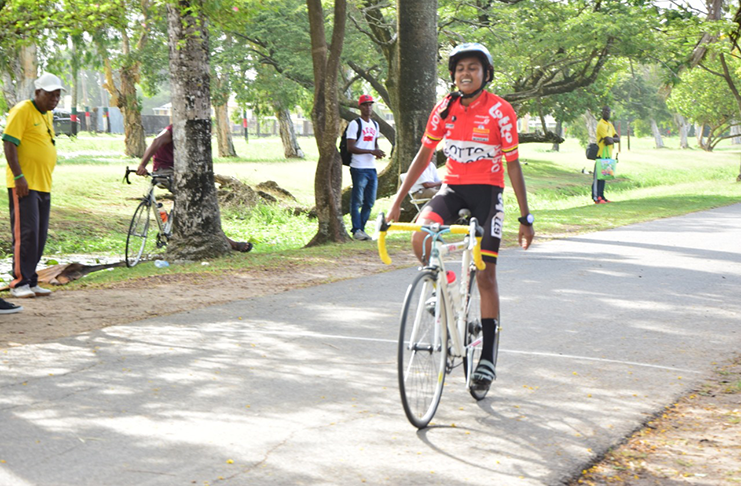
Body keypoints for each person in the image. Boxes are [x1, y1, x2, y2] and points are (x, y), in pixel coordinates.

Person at [387, 43, 535, 389]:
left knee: (486, 276)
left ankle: (486, 358)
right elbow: (424, 155)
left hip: (488, 193)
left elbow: (513, 166)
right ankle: (445, 289)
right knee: (420, 237)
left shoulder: (501, 112)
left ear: (485, 74)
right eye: (459, 69)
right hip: (451, 190)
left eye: (473, 68)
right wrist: (396, 201)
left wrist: (525, 218)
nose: (465, 74)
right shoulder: (444, 109)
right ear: (453, 75)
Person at [137, 125, 253, 252]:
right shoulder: (173, 130)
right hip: (166, 172)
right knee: (198, 203)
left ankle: (173, 226)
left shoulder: (190, 136)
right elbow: (156, 141)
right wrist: (142, 164)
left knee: (195, 201)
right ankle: (231, 244)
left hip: (180, 172)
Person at [2, 72, 64, 299]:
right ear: (38, 92)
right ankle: (19, 282)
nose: (54, 100)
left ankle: (31, 280)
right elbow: (9, 143)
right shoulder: (22, 110)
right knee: (26, 233)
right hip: (24, 185)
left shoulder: (46, 115)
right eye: (50, 95)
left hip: (43, 184)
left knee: (39, 235)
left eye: (57, 96)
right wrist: (19, 177)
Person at [347, 94, 386, 241]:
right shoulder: (355, 124)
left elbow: (373, 144)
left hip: (371, 167)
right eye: (365, 105)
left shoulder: (375, 125)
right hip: (358, 167)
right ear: (360, 107)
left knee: (369, 201)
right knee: (357, 200)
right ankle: (356, 229)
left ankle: (361, 230)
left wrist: (377, 152)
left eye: (370, 105)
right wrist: (371, 151)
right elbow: (351, 147)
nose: (368, 107)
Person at [593, 106, 619, 204]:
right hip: (601, 154)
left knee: (604, 176)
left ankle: (602, 196)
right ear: (602, 112)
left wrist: (611, 139)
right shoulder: (601, 124)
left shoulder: (610, 125)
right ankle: (596, 197)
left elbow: (617, 138)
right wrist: (611, 139)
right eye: (605, 111)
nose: (607, 113)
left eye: (609, 111)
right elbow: (608, 140)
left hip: (608, 155)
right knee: (598, 177)